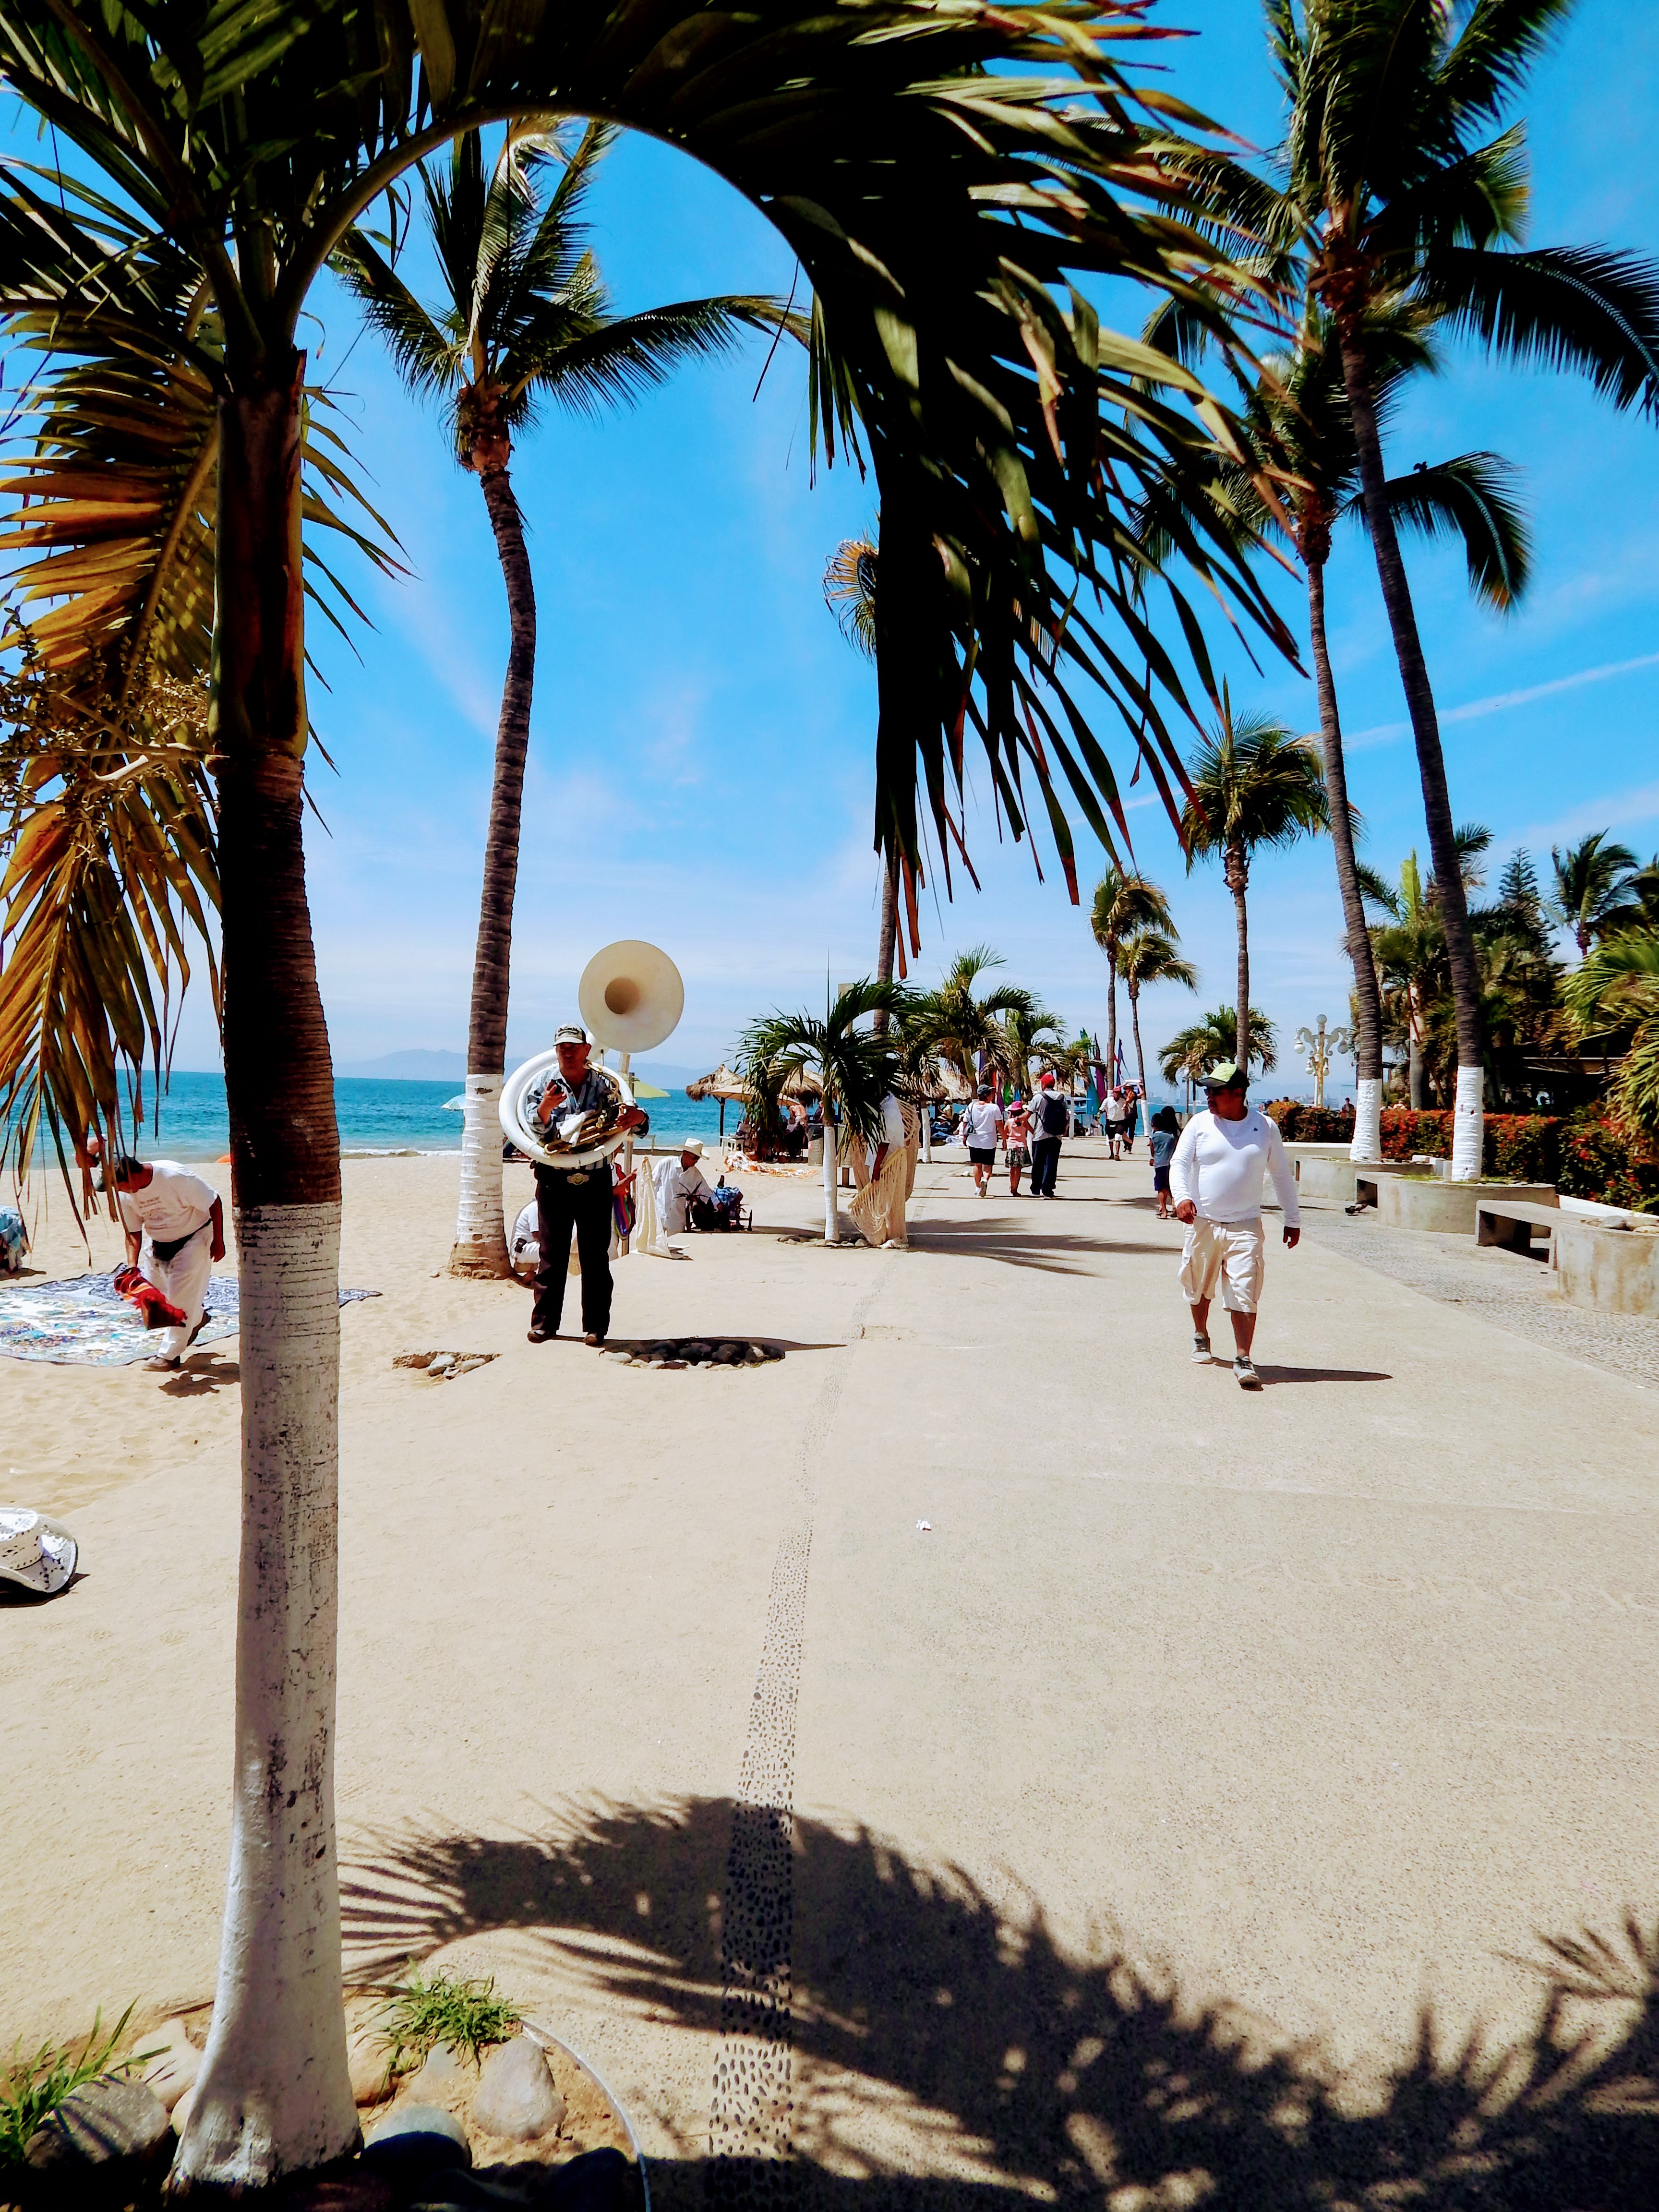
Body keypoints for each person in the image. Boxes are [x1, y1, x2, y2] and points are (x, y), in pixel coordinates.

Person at [1169, 1061, 1300, 1390]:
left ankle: (1243, 1358)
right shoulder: (1200, 1124)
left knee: (1245, 1291)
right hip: (1203, 1222)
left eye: (1215, 1091)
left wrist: (1293, 1217)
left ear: (1238, 1094)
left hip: (1246, 1225)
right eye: (1207, 1090)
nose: (1209, 1096)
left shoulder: (1265, 1127)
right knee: (1198, 1284)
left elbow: (1282, 1175)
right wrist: (1181, 1197)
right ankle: (1201, 1334)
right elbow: (1179, 1164)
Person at [525, 1023, 647, 1346]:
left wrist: (640, 1119)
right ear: (556, 1050)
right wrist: (545, 1111)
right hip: (554, 1180)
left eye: (574, 1046)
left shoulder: (606, 1085)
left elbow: (631, 1117)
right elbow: (535, 1133)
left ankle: (596, 1328)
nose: (567, 1051)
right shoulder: (543, 1083)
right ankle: (544, 1325)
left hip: (595, 1180)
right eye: (562, 1046)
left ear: (586, 1050)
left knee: (596, 1256)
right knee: (552, 1255)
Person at [110, 1156, 226, 1371]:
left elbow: (213, 1201)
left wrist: (219, 1240)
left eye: (121, 1185)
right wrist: (132, 1267)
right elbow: (133, 1232)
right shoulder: (126, 1195)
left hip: (195, 1235)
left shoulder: (174, 1176)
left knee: (181, 1299)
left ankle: (169, 1356)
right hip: (158, 1241)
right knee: (156, 1297)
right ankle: (198, 1318)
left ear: (133, 1176)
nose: (120, 1191)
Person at [850, 1090, 910, 1247]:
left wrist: (876, 1169)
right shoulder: (889, 1102)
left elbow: (884, 1144)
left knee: (882, 1202)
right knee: (883, 1201)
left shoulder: (889, 1113)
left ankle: (881, 1236)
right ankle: (882, 1234)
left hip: (887, 1163)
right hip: (885, 1158)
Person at [659, 1139, 714, 1234]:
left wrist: (719, 1205)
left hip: (676, 1222)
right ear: (685, 1154)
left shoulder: (696, 1175)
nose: (697, 1161)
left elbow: (707, 1193)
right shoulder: (665, 1164)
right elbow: (651, 1183)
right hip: (659, 1216)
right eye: (695, 1158)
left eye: (698, 1158)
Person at [960, 1085, 1003, 1196]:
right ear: (987, 1095)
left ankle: (978, 1187)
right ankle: (985, 1180)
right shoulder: (994, 1108)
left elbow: (965, 1123)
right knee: (988, 1166)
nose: (993, 1095)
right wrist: (1005, 1139)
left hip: (974, 1140)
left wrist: (964, 1137)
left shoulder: (971, 1107)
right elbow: (1000, 1126)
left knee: (977, 1165)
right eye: (991, 1093)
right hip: (989, 1141)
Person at [1030, 1070, 1068, 1197]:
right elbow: (1066, 1117)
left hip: (1041, 1134)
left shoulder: (1038, 1097)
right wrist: (1065, 1130)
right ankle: (1048, 1190)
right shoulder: (1062, 1097)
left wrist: (1020, 1121)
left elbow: (1028, 1114)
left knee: (1038, 1163)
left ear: (1043, 1085)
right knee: (1052, 1163)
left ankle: (1036, 1188)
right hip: (1057, 1135)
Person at [1148, 1105, 1180, 1219]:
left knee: (1161, 1188)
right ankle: (1175, 1207)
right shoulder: (1173, 1134)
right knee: (1171, 1187)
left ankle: (1164, 1210)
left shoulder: (1154, 1136)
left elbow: (1152, 1150)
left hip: (1160, 1164)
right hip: (1172, 1163)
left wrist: (1153, 1158)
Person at [1003, 1094, 1031, 1197]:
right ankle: (1015, 1189)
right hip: (1022, 1146)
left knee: (1012, 1169)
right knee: (1019, 1169)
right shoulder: (1024, 1122)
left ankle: (1012, 1186)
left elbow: (1004, 1133)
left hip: (1011, 1147)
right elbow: (1032, 1131)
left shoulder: (1009, 1122)